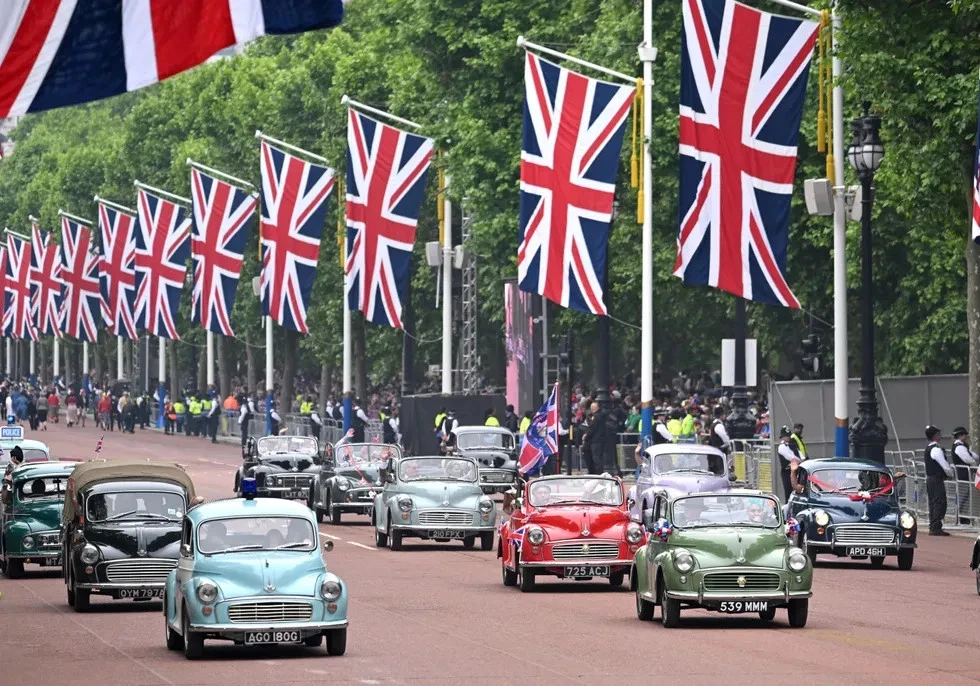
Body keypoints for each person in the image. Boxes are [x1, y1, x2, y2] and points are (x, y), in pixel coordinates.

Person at [924, 425, 953, 536]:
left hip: (931, 479)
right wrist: (950, 473)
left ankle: (933, 525)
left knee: (933, 503)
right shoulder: (936, 449)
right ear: (935, 436)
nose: (940, 435)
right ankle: (936, 527)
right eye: (938, 434)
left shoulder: (929, 448)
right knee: (939, 502)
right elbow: (944, 465)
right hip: (936, 479)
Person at [777, 426, 802, 503]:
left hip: (795, 470)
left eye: (788, 436)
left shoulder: (791, 445)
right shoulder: (782, 447)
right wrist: (800, 460)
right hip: (787, 471)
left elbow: (800, 455)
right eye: (786, 436)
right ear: (782, 437)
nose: (788, 438)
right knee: (789, 492)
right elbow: (791, 458)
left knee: (797, 492)